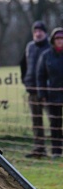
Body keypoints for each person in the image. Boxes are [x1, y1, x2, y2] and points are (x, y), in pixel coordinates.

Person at [20, 21, 50, 158]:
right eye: (35, 31)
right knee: (36, 122)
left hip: (49, 91)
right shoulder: (29, 47)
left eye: (40, 31)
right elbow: (24, 65)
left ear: (45, 33)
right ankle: (39, 149)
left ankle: (57, 149)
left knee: (54, 121)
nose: (37, 34)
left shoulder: (51, 47)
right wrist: (26, 81)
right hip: (32, 90)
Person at [36, 27, 63, 159]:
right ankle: (56, 151)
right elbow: (41, 76)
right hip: (53, 95)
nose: (60, 41)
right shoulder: (46, 55)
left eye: (62, 38)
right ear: (53, 40)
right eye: (57, 38)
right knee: (55, 124)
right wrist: (42, 94)